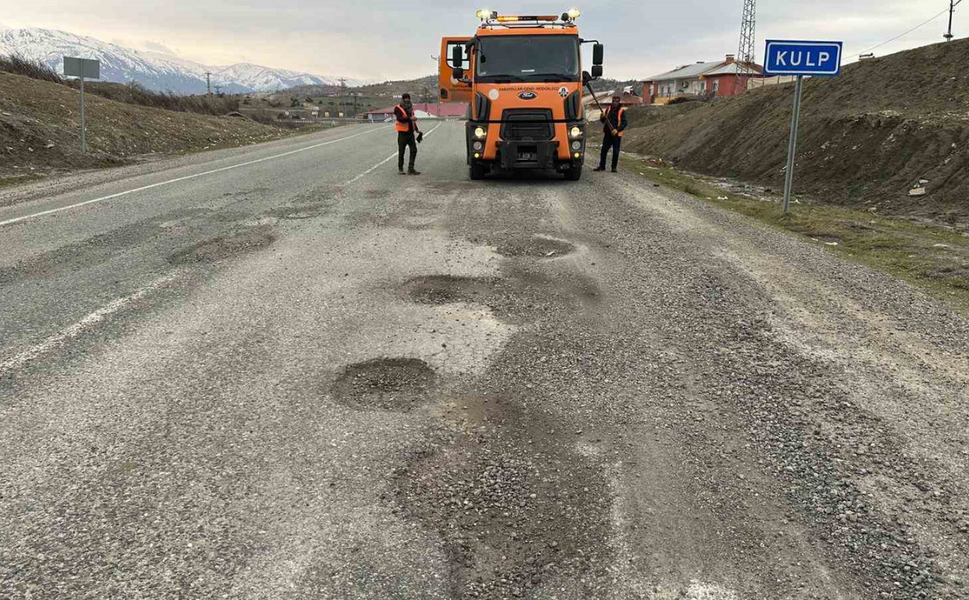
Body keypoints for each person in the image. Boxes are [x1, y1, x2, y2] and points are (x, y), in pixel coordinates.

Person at [594, 95, 628, 173]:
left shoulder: (621, 111)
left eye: (616, 101)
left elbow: (624, 123)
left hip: (616, 135)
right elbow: (603, 121)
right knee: (604, 150)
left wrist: (617, 130)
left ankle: (614, 168)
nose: (614, 102)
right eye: (613, 101)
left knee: (615, 152)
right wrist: (602, 117)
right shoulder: (608, 109)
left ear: (618, 102)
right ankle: (602, 166)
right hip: (608, 133)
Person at [394, 93, 422, 175]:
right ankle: (400, 168)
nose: (407, 99)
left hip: (410, 133)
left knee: (414, 150)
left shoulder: (410, 108)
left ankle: (411, 168)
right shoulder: (398, 108)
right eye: (405, 98)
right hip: (402, 133)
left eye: (408, 98)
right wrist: (410, 118)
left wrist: (416, 129)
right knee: (401, 151)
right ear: (403, 99)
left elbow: (412, 120)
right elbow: (400, 119)